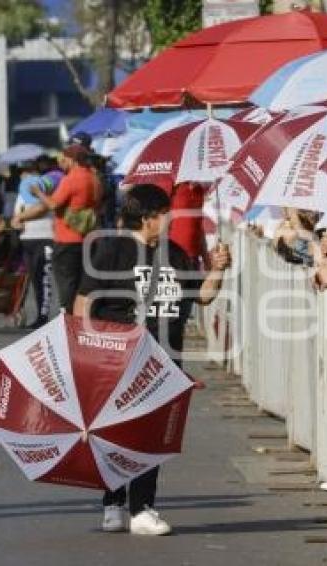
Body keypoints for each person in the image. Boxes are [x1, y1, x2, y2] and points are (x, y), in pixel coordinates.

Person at [74, 184, 231, 535]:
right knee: (116, 433)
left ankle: (142, 508)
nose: (171, 220)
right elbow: (84, 303)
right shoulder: (111, 252)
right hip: (118, 359)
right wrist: (89, 352)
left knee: (151, 435)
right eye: (165, 214)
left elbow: (202, 296)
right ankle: (113, 501)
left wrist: (218, 269)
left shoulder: (175, 254)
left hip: (164, 361)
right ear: (147, 219)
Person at [12, 144, 99, 310]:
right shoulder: (94, 179)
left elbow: (52, 204)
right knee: (82, 284)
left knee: (67, 285)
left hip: (67, 239)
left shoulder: (71, 179)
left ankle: (67, 321)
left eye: (63, 159)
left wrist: (38, 192)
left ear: (71, 160)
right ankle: (80, 321)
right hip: (88, 238)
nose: (60, 163)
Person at [13, 161, 54, 328]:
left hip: (45, 237)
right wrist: (16, 222)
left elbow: (43, 208)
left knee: (43, 278)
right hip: (27, 238)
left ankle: (43, 316)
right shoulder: (22, 192)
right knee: (33, 278)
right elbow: (17, 214)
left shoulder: (47, 188)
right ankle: (35, 314)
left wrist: (21, 218)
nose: (24, 176)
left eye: (26, 172)